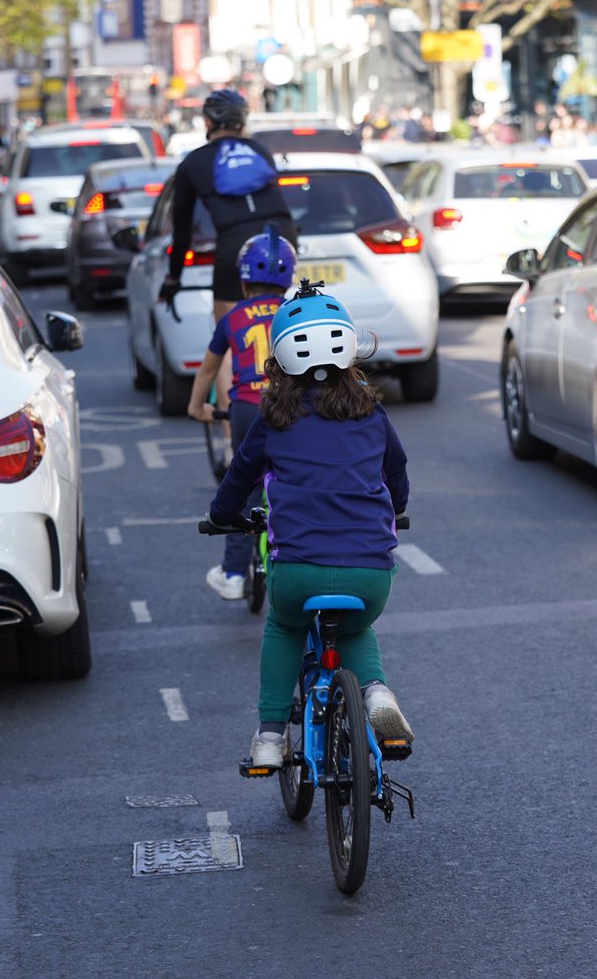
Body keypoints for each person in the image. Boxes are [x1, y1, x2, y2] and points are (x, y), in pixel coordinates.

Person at [205, 279, 413, 768]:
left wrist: (221, 516)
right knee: (357, 627)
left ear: (279, 362)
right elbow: (397, 472)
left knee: (283, 626)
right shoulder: (372, 414)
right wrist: (397, 508)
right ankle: (377, 693)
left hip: (298, 571)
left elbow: (240, 477)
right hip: (370, 572)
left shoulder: (273, 419)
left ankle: (271, 738)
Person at [188, 225, 297, 600]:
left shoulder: (233, 318)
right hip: (290, 404)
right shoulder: (293, 312)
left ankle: (234, 574)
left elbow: (208, 369)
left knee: (245, 487)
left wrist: (197, 406)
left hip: (248, 408)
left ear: (244, 279)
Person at [159, 89, 297, 323]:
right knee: (275, 322)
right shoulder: (260, 151)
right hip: (280, 237)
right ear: (242, 121)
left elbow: (182, 231)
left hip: (235, 242)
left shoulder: (192, 162)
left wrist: (174, 278)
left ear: (208, 121)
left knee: (229, 334)